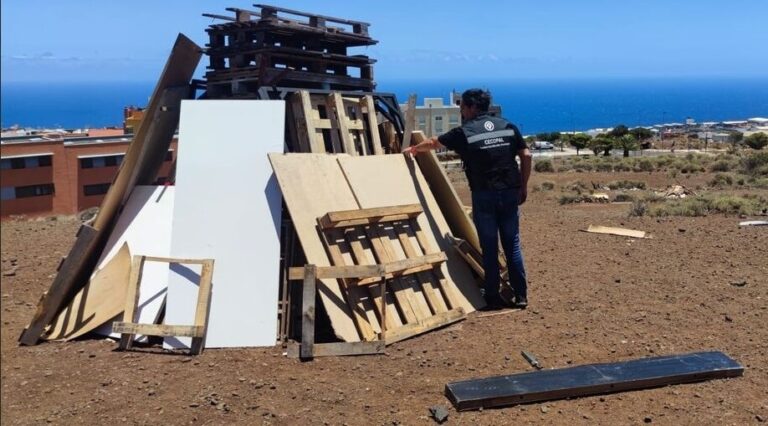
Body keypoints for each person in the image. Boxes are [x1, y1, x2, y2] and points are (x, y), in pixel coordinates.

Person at [404, 88, 532, 310]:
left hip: (484, 194)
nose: (461, 111)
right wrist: (523, 185)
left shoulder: (465, 132)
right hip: (510, 191)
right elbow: (526, 155)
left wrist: (414, 149)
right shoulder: (508, 126)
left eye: (462, 106)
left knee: (489, 247)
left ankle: (492, 296)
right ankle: (521, 296)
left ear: (472, 107)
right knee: (512, 244)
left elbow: (434, 143)